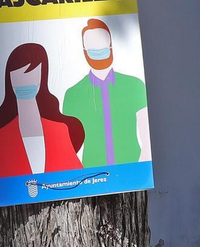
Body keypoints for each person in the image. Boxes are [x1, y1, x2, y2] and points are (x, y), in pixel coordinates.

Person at [0, 43, 84, 179]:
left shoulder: (62, 131)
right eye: (19, 73)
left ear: (42, 76)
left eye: (33, 72)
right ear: (9, 77)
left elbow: (77, 179)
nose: (26, 80)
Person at [61, 19, 151, 167]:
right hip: (93, 171)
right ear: (84, 50)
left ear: (111, 46)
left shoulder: (134, 85)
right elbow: (69, 145)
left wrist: (141, 168)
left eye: (102, 47)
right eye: (92, 48)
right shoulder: (73, 94)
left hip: (132, 166)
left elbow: (147, 137)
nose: (98, 51)